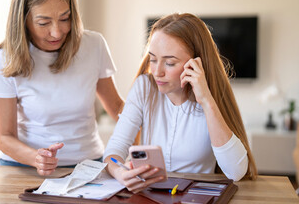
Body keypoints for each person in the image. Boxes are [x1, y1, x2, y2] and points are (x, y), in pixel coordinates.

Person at [104, 13, 257, 193]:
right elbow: (113, 153)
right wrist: (119, 172)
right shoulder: (144, 87)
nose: (157, 71)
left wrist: (206, 101)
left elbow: (236, 172)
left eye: (169, 63)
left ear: (195, 64)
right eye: (153, 59)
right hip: (152, 196)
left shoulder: (211, 95)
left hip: (196, 196)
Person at [0, 0, 123, 175]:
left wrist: (146, 147)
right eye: (43, 23)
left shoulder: (94, 45)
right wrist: (36, 158)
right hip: (24, 167)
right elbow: (5, 136)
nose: (57, 32)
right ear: (23, 20)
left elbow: (116, 107)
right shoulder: (5, 58)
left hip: (88, 164)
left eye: (64, 18)